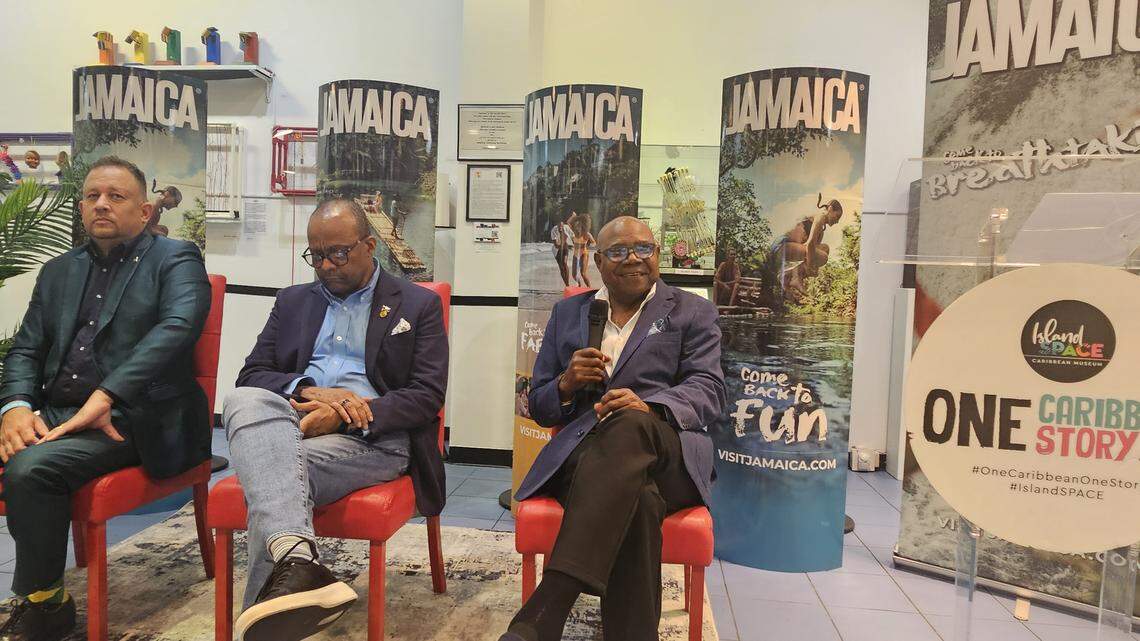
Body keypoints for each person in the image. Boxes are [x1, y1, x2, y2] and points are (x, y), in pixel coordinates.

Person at [0, 155, 212, 641]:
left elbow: (177, 329)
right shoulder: (58, 271)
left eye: (116, 196)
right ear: (80, 207)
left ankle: (45, 604)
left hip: (134, 416)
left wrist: (106, 394)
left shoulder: (176, 259)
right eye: (93, 196)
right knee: (24, 451)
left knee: (31, 469)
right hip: (57, 411)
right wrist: (15, 408)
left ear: (144, 211)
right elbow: (27, 348)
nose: (101, 204)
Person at [222, 198, 448, 641]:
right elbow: (253, 374)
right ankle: (298, 561)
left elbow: (426, 395)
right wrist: (310, 390)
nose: (326, 265)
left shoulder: (416, 304)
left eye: (339, 253)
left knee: (274, 473)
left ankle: (264, 621)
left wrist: (343, 416)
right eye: (317, 255)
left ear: (369, 246)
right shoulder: (292, 301)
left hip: (374, 438)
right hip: (294, 423)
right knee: (242, 399)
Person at [500, 216, 726, 641]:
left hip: (668, 452)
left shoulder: (692, 310)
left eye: (643, 248)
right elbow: (540, 406)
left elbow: (709, 390)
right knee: (640, 500)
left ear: (657, 254)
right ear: (598, 261)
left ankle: (547, 609)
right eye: (619, 251)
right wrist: (566, 384)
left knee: (631, 422)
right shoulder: (569, 313)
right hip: (587, 458)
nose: (633, 259)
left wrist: (650, 406)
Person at [770, 195, 843, 302]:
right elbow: (810, 245)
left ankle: (789, 275)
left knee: (825, 249)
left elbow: (813, 251)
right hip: (780, 247)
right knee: (823, 257)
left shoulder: (821, 229)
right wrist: (809, 266)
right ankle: (794, 277)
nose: (837, 221)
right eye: (837, 216)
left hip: (790, 248)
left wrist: (813, 267)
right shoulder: (820, 216)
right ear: (830, 209)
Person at [570, 212, 594, 287]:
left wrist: (586, 246)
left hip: (584, 254)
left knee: (583, 273)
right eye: (577, 225)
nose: (577, 227)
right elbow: (569, 222)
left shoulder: (586, 234)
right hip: (575, 255)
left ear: (583, 226)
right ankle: (579, 286)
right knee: (574, 275)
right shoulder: (574, 233)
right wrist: (574, 217)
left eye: (579, 226)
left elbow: (594, 243)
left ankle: (589, 288)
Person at [549, 212, 573, 287]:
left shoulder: (566, 228)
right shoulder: (554, 230)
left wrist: (572, 244)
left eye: (562, 226)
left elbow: (573, 236)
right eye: (559, 226)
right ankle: (566, 284)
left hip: (565, 247)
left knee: (565, 263)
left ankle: (568, 284)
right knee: (561, 266)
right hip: (557, 250)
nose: (561, 228)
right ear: (557, 225)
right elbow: (556, 245)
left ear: (563, 225)